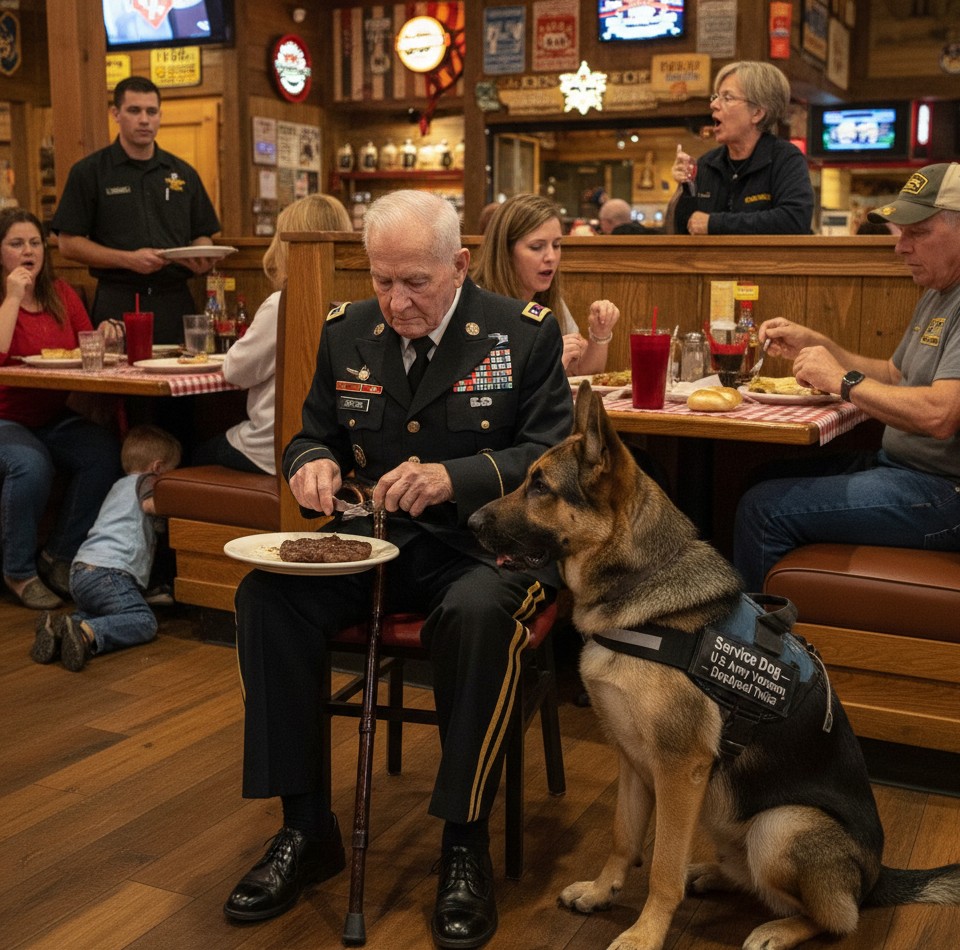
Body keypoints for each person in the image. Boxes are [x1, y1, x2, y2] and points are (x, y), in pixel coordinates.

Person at [223, 190, 572, 949]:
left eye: (414, 281)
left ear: (459, 263)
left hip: (486, 547)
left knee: (478, 617)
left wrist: (460, 476)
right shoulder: (347, 331)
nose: (395, 301)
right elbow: (308, 433)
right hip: (374, 541)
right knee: (265, 598)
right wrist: (310, 465)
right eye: (382, 281)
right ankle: (306, 827)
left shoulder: (523, 333)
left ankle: (463, 841)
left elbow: (554, 461)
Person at [733, 162, 960, 591]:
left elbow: (941, 415)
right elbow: (895, 376)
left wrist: (843, 382)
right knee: (755, 478)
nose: (900, 247)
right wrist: (819, 344)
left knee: (762, 509)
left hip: (945, 495)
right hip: (902, 469)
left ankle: (756, 650)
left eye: (918, 232)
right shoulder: (939, 292)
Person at [0, 209, 121, 610]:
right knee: (31, 465)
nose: (28, 251)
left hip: (52, 413)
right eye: (16, 243)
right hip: (5, 416)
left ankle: (58, 557)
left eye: (34, 242)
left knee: (104, 452)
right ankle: (17, 571)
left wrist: (105, 335)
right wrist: (14, 296)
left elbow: (86, 346)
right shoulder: (5, 298)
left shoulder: (62, 292)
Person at [51, 76, 221, 343]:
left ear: (160, 115)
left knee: (182, 379)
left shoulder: (183, 173)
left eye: (151, 112)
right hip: (118, 301)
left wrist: (201, 257)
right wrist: (129, 259)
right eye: (134, 111)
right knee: (120, 381)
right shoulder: (90, 172)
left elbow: (203, 233)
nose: (144, 120)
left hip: (175, 300)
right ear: (116, 114)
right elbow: (68, 244)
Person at [192, 194, 352, 475]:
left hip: (272, 451)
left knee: (191, 452)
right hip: (338, 452)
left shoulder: (283, 304)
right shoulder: (360, 304)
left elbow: (234, 371)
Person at [31, 424, 182, 672]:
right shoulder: (148, 481)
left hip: (80, 572)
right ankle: (85, 634)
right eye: (172, 472)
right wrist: (182, 503)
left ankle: (61, 629)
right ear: (157, 468)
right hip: (109, 573)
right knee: (143, 621)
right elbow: (150, 508)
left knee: (104, 612)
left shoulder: (117, 485)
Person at [470, 193, 620, 376]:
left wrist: (600, 334)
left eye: (556, 245)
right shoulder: (476, 302)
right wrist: (547, 363)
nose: (551, 257)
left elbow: (583, 371)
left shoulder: (547, 299)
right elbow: (485, 389)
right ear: (505, 251)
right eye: (537, 247)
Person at [668, 61, 814, 236]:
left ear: (757, 113)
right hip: (713, 263)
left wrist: (715, 223)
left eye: (727, 98)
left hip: (766, 264)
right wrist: (685, 187)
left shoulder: (786, 159)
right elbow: (683, 229)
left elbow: (794, 221)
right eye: (716, 97)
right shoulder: (707, 163)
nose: (714, 105)